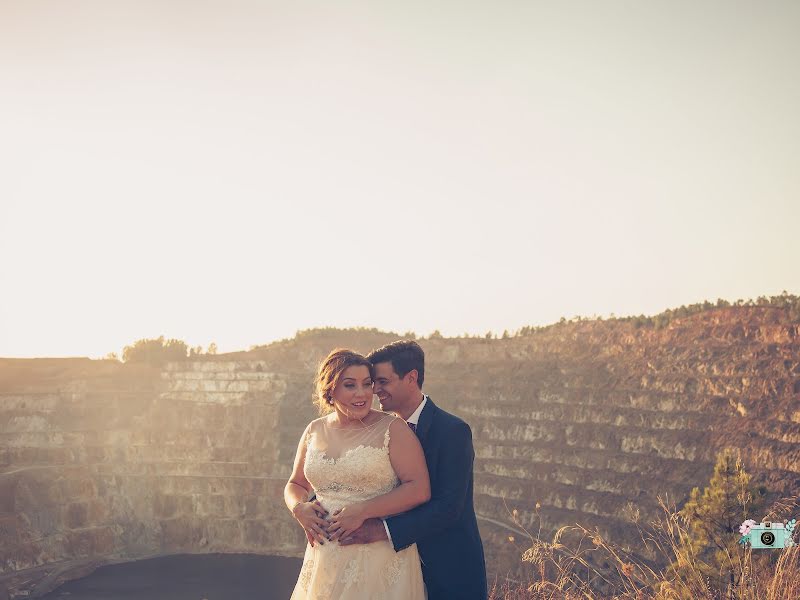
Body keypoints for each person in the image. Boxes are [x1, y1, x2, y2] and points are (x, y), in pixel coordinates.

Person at [339, 340, 487, 600]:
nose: (375, 390)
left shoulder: (452, 431)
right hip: (391, 571)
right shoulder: (377, 430)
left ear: (411, 378)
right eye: (373, 383)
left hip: (448, 571)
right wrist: (311, 505)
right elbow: (356, 479)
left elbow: (449, 507)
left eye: (383, 381)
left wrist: (381, 531)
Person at [285, 348, 429, 599]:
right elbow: (295, 483)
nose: (362, 393)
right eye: (350, 385)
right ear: (331, 390)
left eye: (367, 384)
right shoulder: (314, 430)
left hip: (377, 558)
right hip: (324, 559)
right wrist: (299, 508)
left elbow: (418, 488)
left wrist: (363, 511)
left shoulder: (393, 428)